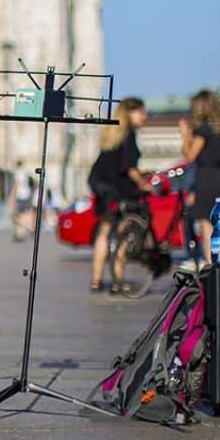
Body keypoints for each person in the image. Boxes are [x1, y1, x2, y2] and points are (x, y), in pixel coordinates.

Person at [87, 97, 149, 293]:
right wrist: (144, 184)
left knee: (104, 233)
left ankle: (96, 281)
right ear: (131, 112)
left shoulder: (111, 133)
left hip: (101, 186)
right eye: (141, 112)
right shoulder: (128, 135)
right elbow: (129, 167)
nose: (144, 117)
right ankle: (117, 282)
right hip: (119, 189)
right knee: (123, 234)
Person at [180, 90, 220, 266]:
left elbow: (190, 156)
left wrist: (185, 135)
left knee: (207, 223)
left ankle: (212, 264)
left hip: (207, 180)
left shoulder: (203, 131)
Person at [12, 161, 34, 242]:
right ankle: (29, 229)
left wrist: (12, 197)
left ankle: (21, 233)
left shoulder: (18, 173)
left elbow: (16, 185)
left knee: (19, 215)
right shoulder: (25, 172)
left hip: (20, 196)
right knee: (26, 214)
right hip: (27, 195)